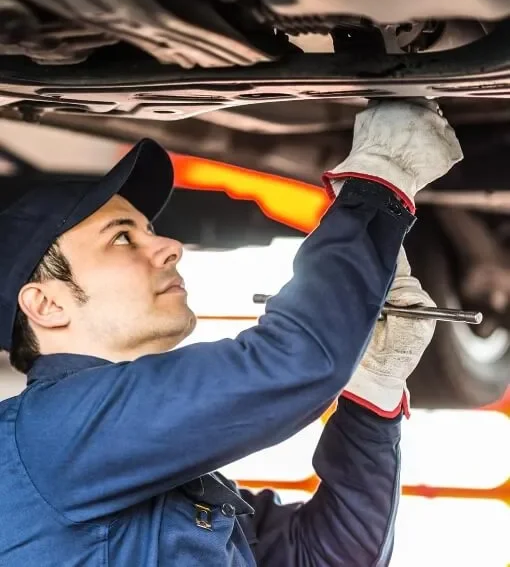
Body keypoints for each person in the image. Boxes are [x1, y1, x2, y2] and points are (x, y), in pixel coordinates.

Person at [0, 100, 462, 566]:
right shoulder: (51, 433)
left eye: (150, 229)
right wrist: (379, 179)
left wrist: (372, 391)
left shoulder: (147, 469)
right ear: (47, 304)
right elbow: (289, 363)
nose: (171, 247)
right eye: (122, 237)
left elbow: (328, 556)